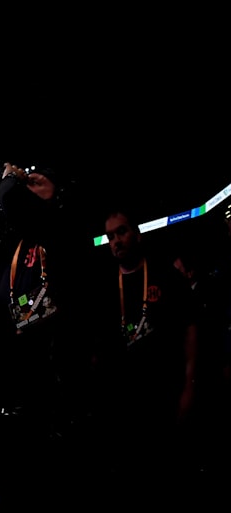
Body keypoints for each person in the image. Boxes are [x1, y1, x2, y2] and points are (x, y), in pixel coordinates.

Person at [0, 163, 98, 512]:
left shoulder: (65, 230)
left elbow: (13, 199)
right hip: (13, 393)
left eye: (36, 184)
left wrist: (8, 176)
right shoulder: (13, 248)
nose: (27, 190)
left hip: (56, 395)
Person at [88, 206, 200, 509]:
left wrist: (190, 385)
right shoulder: (105, 288)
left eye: (121, 232)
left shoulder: (165, 273)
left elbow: (190, 327)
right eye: (110, 236)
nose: (116, 241)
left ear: (137, 234)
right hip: (128, 410)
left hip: (166, 397)